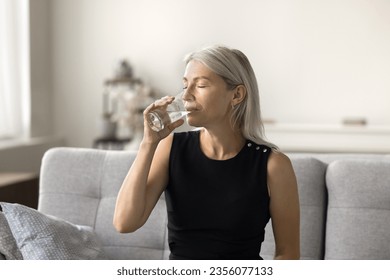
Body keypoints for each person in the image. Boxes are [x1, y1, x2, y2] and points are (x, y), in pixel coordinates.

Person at [113, 45, 300, 260]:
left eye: (200, 85)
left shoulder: (274, 165)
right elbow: (124, 223)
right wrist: (148, 143)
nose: (186, 96)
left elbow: (288, 254)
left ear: (237, 94)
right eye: (185, 85)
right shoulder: (171, 148)